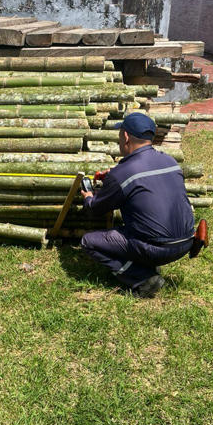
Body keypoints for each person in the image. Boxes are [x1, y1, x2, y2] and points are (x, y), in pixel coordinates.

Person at [80, 112, 195, 298]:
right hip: (186, 241)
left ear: (125, 137)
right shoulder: (170, 161)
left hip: (158, 248)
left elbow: (96, 210)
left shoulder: (123, 174)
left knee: (90, 242)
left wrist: (88, 196)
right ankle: (146, 262)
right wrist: (116, 176)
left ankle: (142, 278)